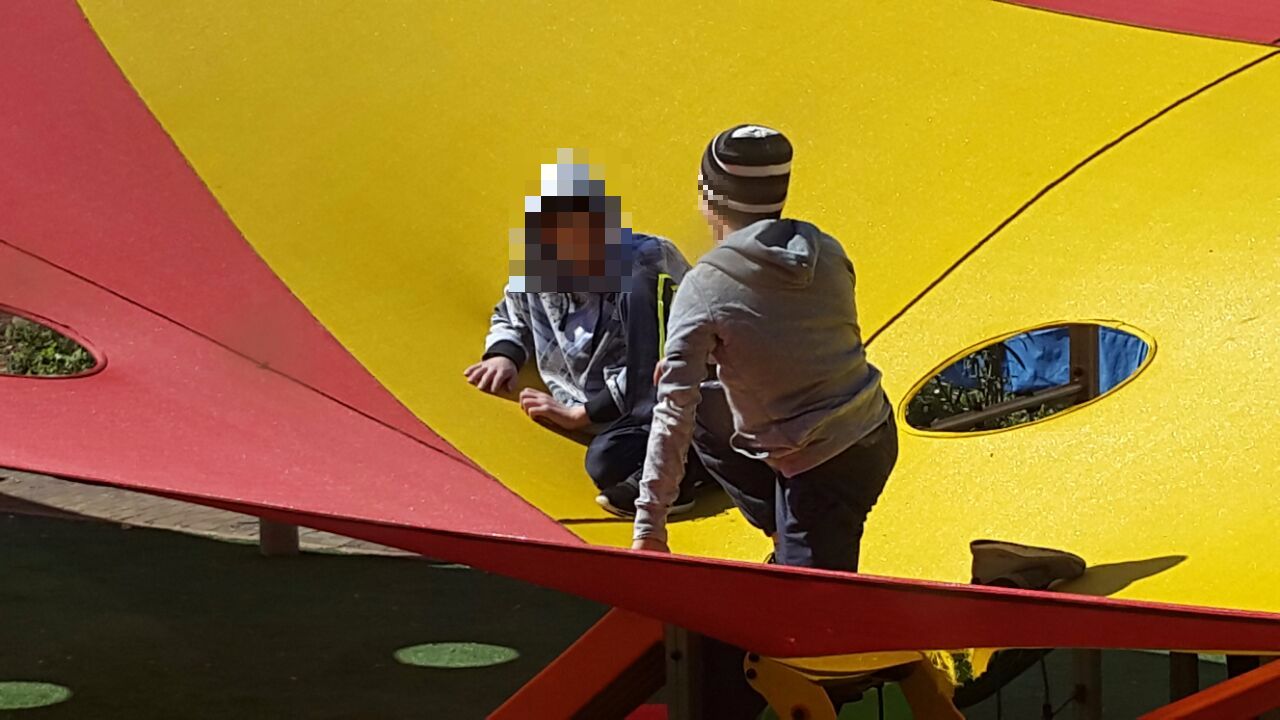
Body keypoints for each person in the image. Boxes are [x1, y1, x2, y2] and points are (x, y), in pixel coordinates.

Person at [631, 125, 897, 572]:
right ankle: (785, 538)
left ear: (708, 198)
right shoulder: (825, 249)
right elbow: (802, 341)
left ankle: (801, 567)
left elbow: (673, 411)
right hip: (872, 430)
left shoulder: (704, 287)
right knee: (707, 398)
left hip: (823, 467)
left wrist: (650, 527)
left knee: (812, 606)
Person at [465, 151, 700, 514]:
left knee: (608, 456)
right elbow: (510, 314)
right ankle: (674, 468)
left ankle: (689, 471)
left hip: (668, 397)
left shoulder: (646, 265)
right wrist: (504, 354)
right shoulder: (537, 274)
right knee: (607, 458)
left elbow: (665, 350)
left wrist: (584, 414)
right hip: (607, 415)